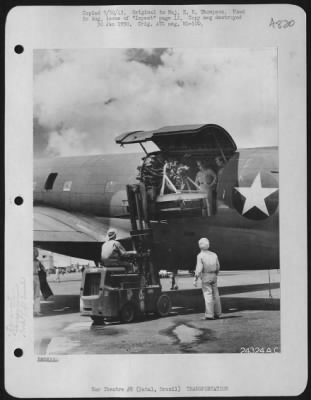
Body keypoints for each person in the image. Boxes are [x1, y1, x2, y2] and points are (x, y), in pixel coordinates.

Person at [193, 238, 221, 320]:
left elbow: (199, 268)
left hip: (206, 276)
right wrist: (216, 274)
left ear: (200, 246)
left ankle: (209, 315)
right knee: (216, 295)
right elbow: (218, 266)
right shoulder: (214, 254)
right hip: (214, 275)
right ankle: (218, 313)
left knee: (208, 295)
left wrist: (195, 279)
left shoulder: (200, 256)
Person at [33, 247, 53, 316]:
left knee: (37, 295)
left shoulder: (38, 261)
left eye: (35, 252)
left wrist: (43, 273)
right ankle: (34, 311)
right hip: (32, 277)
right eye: (34, 252)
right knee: (33, 295)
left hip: (36, 277)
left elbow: (43, 268)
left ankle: (36, 311)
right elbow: (43, 269)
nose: (35, 254)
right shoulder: (36, 261)